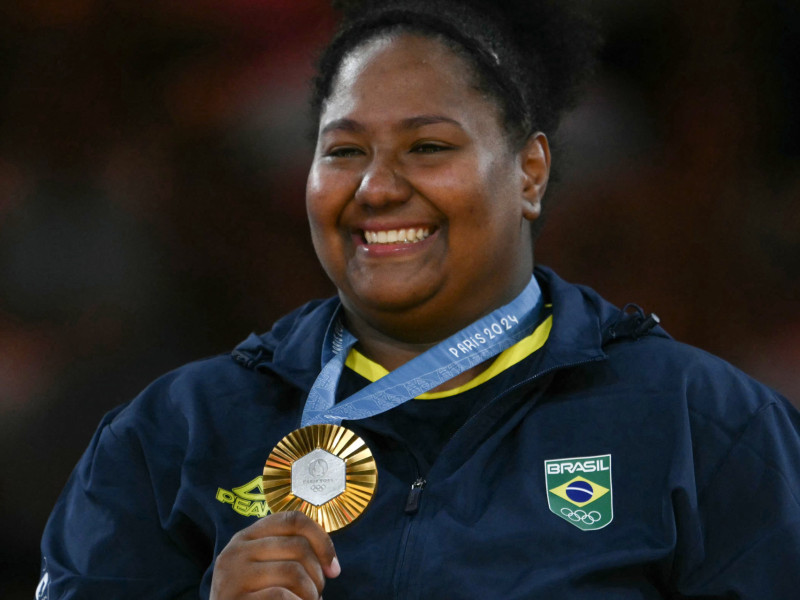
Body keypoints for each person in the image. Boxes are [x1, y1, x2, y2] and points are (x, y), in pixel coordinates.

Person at [40, 0, 800, 598]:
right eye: (344, 151)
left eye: (428, 147)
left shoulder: (701, 423)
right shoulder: (175, 433)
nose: (376, 188)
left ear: (530, 172)